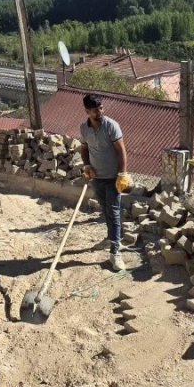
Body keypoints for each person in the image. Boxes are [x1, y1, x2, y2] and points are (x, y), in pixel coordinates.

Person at [79, 93, 132, 271]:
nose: (100, 112)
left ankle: (115, 252)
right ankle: (111, 237)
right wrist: (87, 166)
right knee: (106, 210)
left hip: (113, 177)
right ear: (87, 111)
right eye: (95, 110)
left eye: (101, 108)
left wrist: (122, 173)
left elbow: (121, 151)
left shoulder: (111, 126)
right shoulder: (84, 129)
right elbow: (84, 148)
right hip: (97, 177)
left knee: (114, 211)